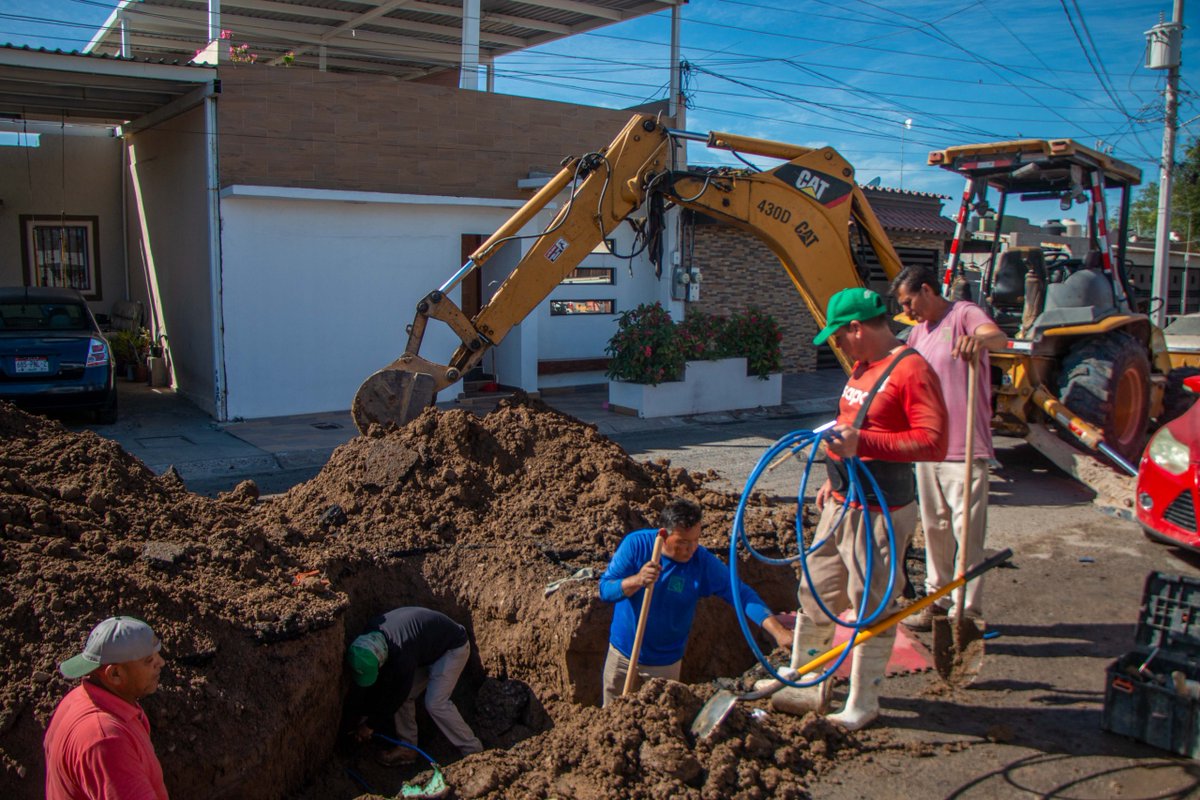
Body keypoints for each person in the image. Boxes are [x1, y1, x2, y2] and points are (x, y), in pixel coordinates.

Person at [773, 288, 948, 731]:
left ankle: (862, 702)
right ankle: (807, 680)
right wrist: (831, 483)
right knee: (815, 590)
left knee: (873, 605)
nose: (838, 343)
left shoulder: (911, 370)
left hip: (881, 511)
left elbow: (934, 442)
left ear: (857, 327)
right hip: (840, 502)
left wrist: (864, 445)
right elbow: (848, 428)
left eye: (840, 334)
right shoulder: (862, 367)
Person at [891, 265, 1007, 631]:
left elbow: (999, 338)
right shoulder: (917, 334)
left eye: (909, 302)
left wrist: (980, 341)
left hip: (964, 447)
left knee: (966, 533)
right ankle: (937, 601)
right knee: (935, 527)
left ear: (927, 290)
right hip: (927, 448)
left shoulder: (963, 314)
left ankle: (967, 610)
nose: (907, 311)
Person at [598, 497, 793, 707]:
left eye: (695, 540)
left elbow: (741, 594)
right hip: (622, 656)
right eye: (682, 542)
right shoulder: (637, 545)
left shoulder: (701, 562)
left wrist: (777, 630)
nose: (690, 549)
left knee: (658, 718)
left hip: (664, 664)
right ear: (663, 535)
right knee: (612, 719)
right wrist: (637, 580)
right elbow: (605, 590)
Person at [44, 616, 169, 800]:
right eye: (149, 660)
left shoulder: (77, 699)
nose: (161, 663)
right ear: (115, 674)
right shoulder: (105, 740)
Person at [344, 607, 483, 765]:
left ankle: (474, 751)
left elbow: (397, 694)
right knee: (405, 697)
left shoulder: (401, 656)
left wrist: (370, 726)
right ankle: (408, 749)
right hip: (426, 648)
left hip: (452, 648)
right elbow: (380, 686)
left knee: (435, 703)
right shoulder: (370, 634)